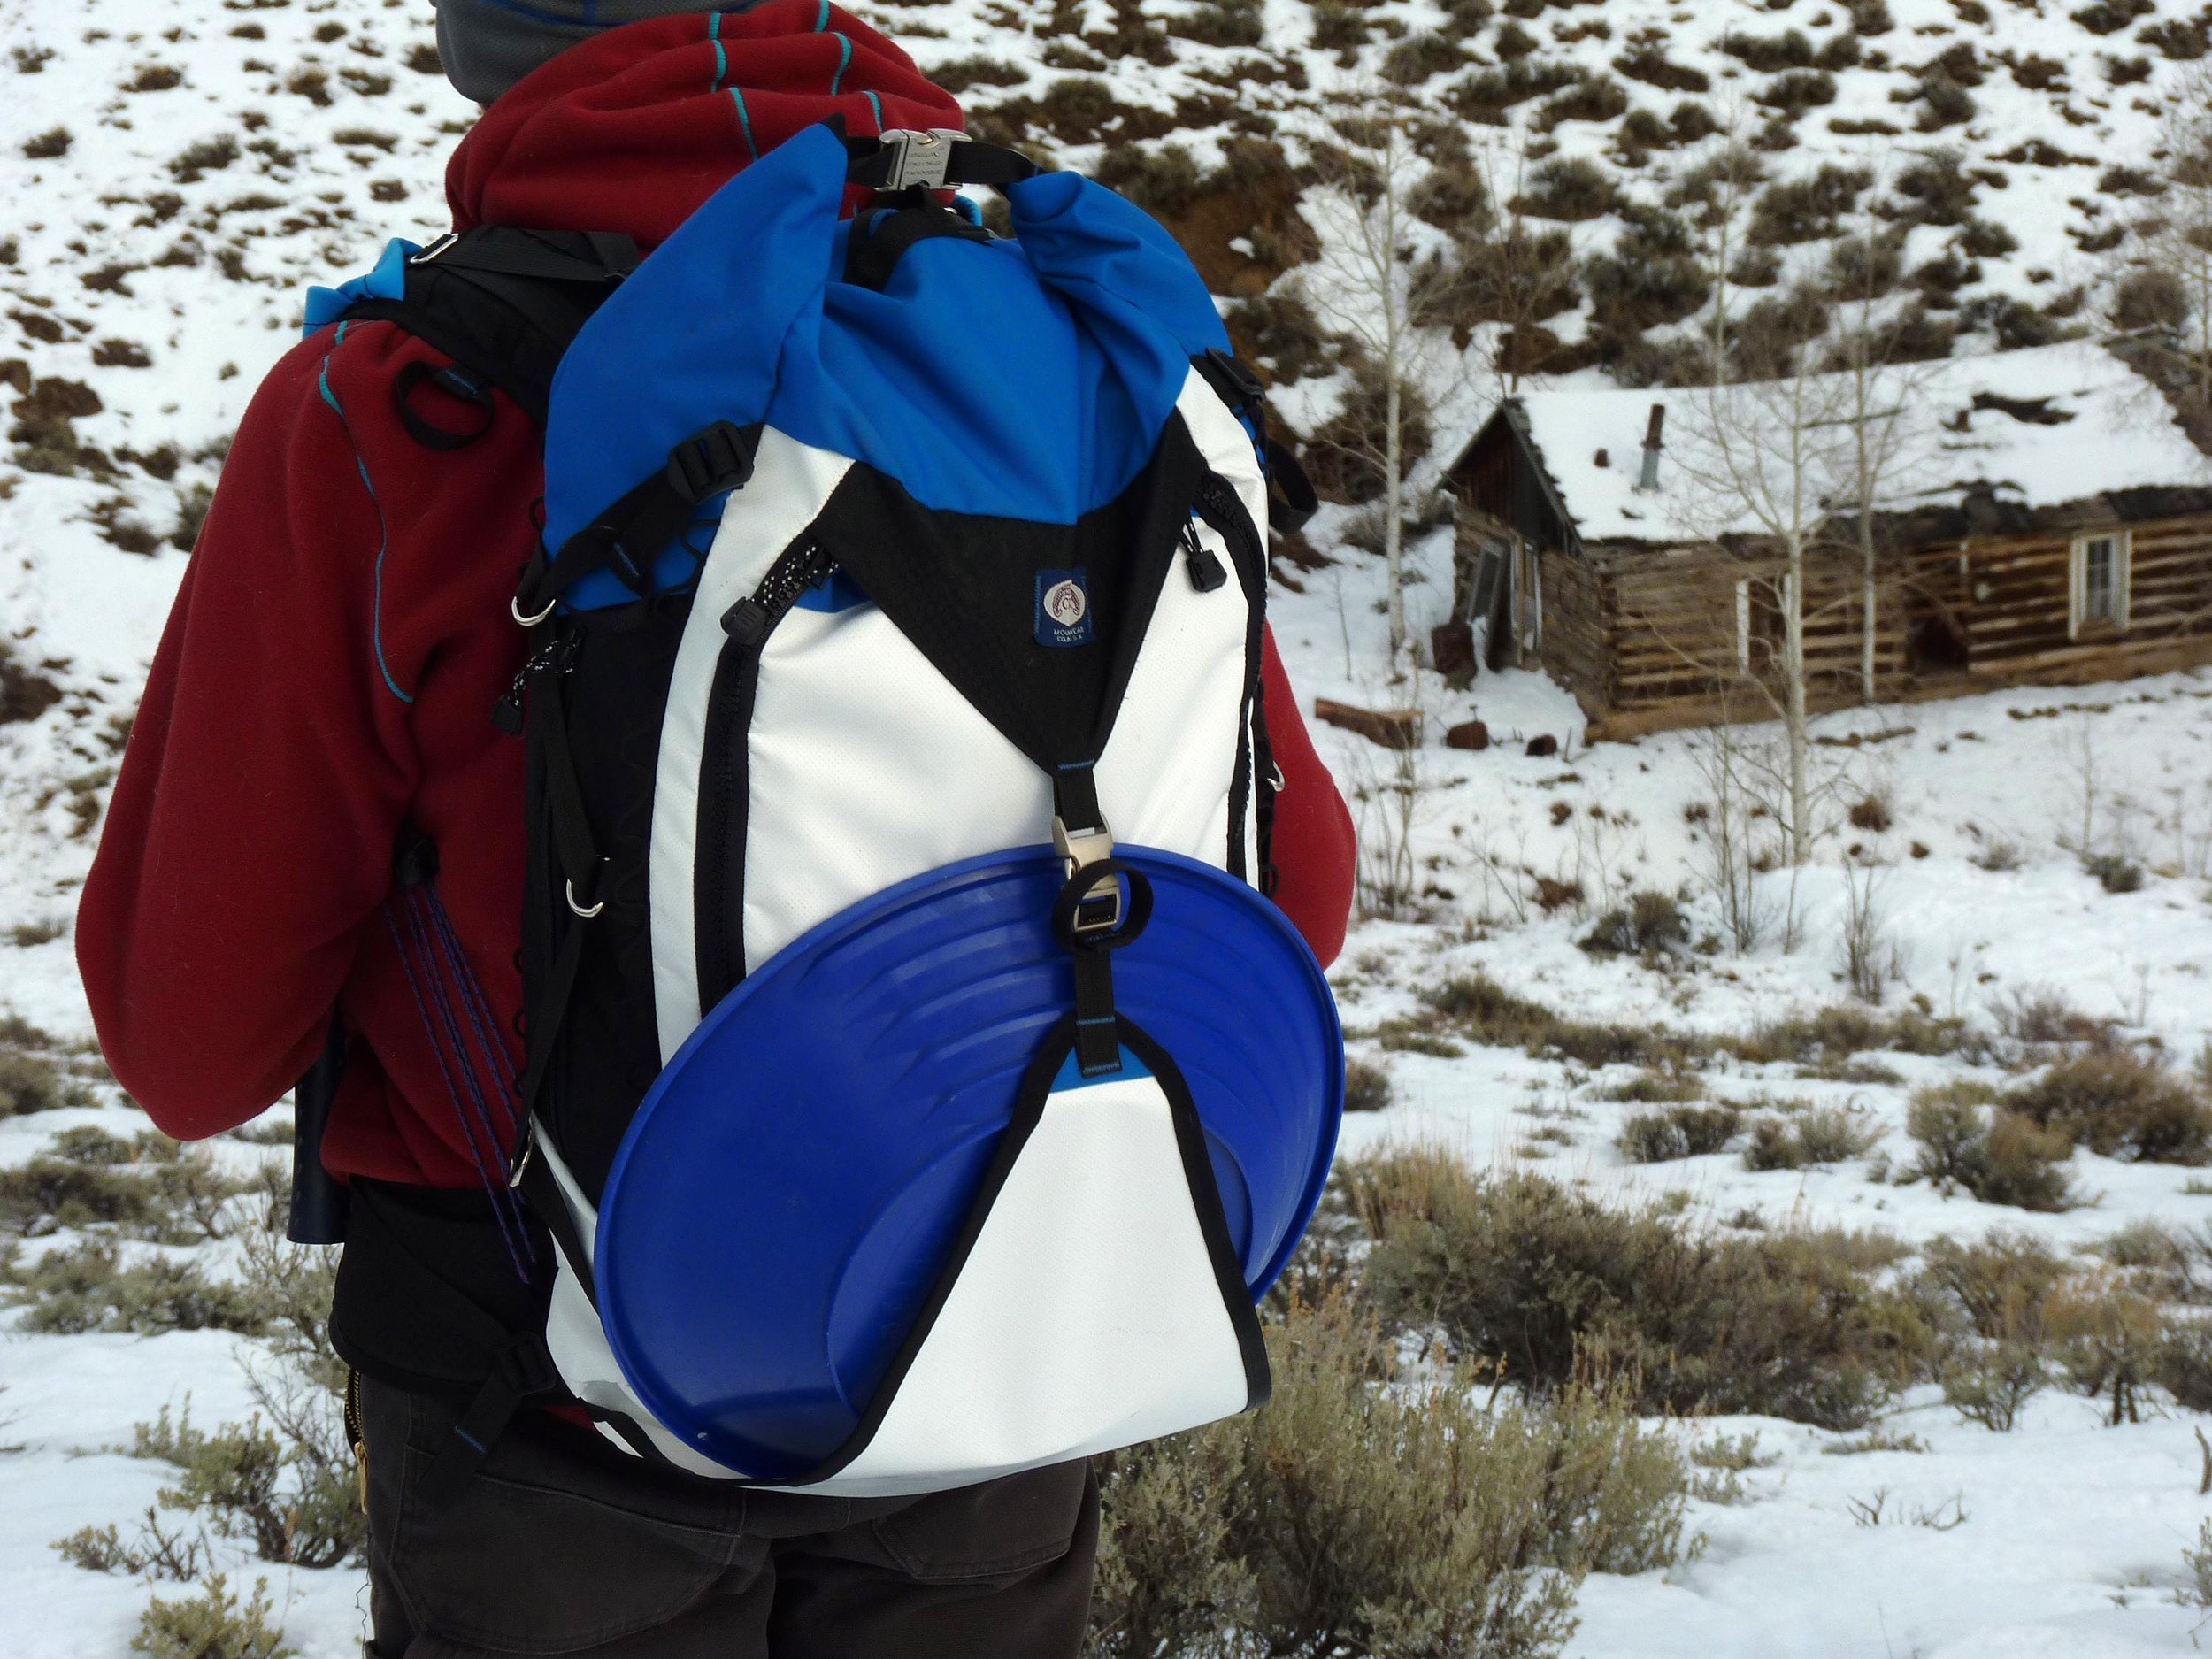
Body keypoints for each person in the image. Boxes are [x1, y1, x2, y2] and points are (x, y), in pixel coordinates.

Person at [76, 3, 1357, 1655]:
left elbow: (189, 1039)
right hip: (995, 1341)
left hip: (548, 1414)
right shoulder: (1078, 355)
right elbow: (1295, 897)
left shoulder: (401, 402)